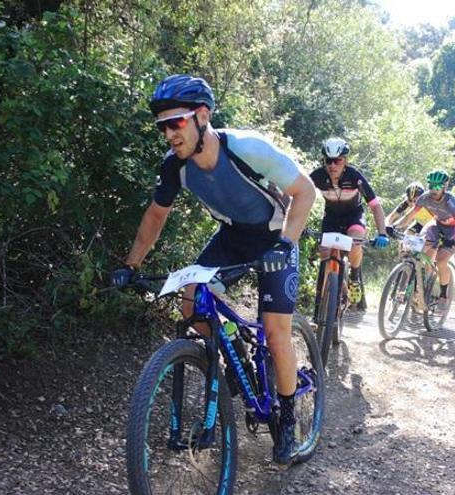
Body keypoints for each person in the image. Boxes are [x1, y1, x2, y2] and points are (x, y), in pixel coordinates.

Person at [110, 74, 316, 465]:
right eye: (163, 126)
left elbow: (305, 191)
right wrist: (130, 265)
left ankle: (288, 419)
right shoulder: (175, 167)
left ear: (202, 116)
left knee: (275, 332)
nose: (169, 133)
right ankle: (235, 351)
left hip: (275, 237)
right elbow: (155, 216)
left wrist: (286, 243)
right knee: (191, 304)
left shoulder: (246, 148)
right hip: (232, 237)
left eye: (177, 123)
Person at [309, 137, 389, 311]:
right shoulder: (317, 176)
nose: (332, 165)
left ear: (345, 161)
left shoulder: (354, 177)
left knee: (355, 243)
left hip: (354, 216)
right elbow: (300, 196)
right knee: (325, 255)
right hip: (331, 217)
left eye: (337, 160)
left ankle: (354, 276)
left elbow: (375, 206)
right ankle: (322, 307)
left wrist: (382, 233)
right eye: (328, 161)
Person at [413, 169, 455, 310]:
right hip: (437, 226)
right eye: (431, 186)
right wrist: (394, 227)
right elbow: (412, 217)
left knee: (441, 260)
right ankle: (422, 285)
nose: (433, 190)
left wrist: (454, 241)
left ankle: (443, 294)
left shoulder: (451, 202)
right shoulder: (425, 198)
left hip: (453, 230)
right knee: (422, 252)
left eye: (437, 187)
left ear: (444, 187)